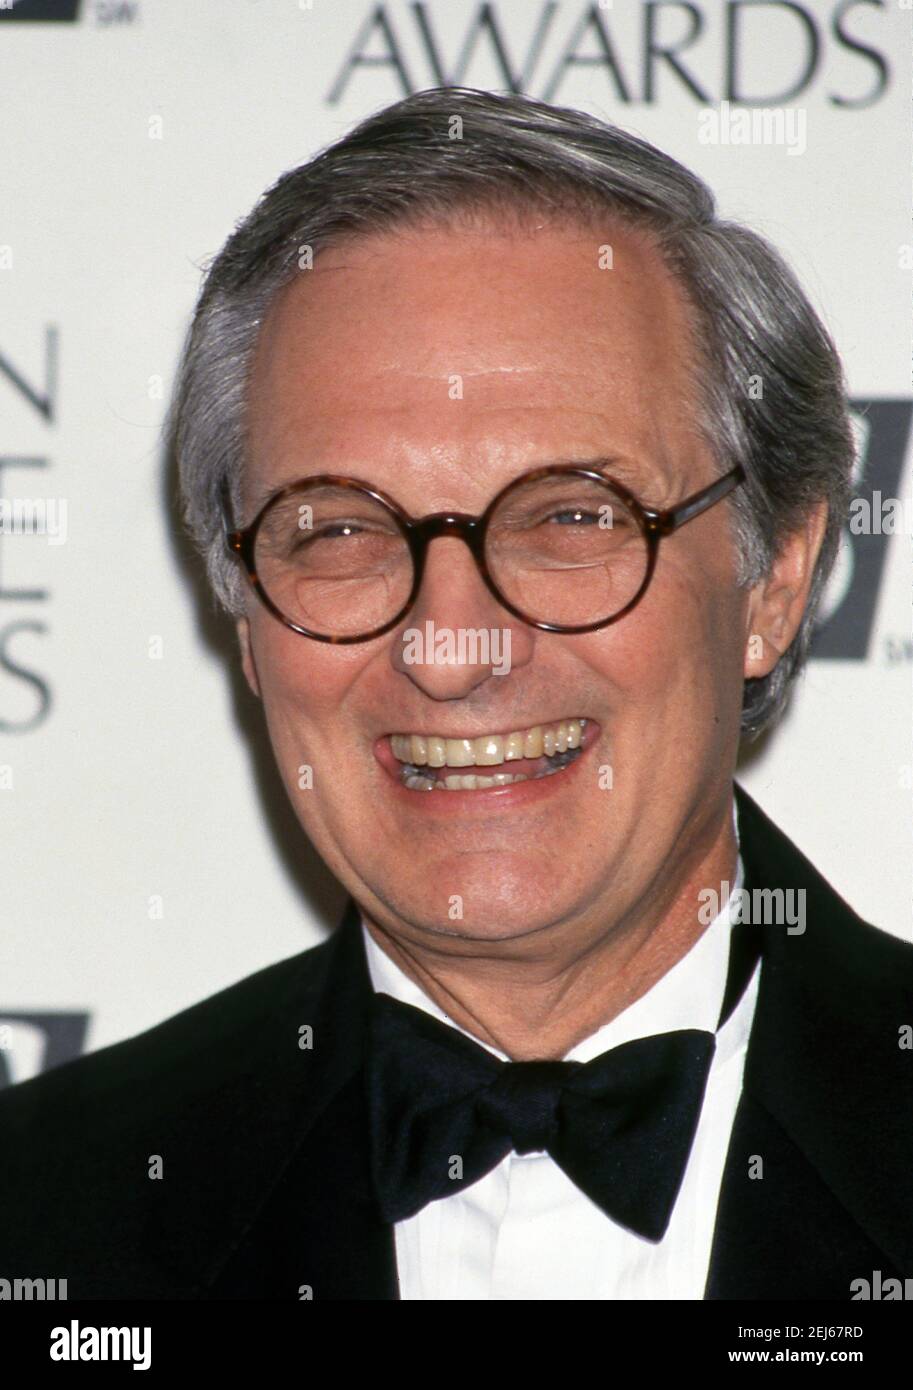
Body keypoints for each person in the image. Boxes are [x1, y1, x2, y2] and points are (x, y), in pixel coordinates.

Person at [1, 87, 910, 1301]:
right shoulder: (46, 1212)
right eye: (336, 530)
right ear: (245, 613)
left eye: (572, 516)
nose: (447, 645)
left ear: (772, 580)